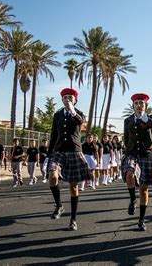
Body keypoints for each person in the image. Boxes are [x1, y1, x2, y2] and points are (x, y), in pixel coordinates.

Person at [47, 88, 91, 231]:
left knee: (73, 186)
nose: (68, 99)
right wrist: (48, 154)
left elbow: (81, 122)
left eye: (70, 97)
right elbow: (54, 134)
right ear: (62, 100)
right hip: (59, 151)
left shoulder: (79, 114)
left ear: (75, 100)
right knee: (52, 176)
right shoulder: (57, 115)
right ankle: (59, 205)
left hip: (74, 151)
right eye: (65, 97)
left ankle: (73, 219)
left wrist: (73, 111)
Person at [122, 93, 152, 231]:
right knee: (129, 174)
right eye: (136, 103)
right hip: (132, 153)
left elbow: (149, 123)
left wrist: (143, 114)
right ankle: (132, 199)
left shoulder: (151, 118)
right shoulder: (127, 120)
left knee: (143, 189)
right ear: (133, 105)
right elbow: (126, 138)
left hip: (146, 154)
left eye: (141, 103)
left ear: (145, 106)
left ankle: (141, 220)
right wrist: (127, 148)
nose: (138, 105)